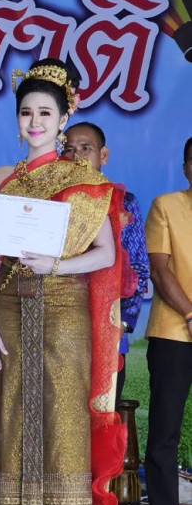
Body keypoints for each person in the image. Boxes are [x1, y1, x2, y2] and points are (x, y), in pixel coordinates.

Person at [0, 59, 123, 505]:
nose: (34, 121)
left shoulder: (83, 179)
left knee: (59, 409)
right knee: (11, 408)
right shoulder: (0, 178)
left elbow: (105, 254)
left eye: (44, 113)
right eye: (26, 112)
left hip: (63, 306)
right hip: (10, 302)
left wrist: (56, 264)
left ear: (63, 119)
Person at [63, 122, 150, 404]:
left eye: (85, 148)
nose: (76, 156)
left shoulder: (124, 202)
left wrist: (122, 323)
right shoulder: (53, 201)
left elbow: (138, 268)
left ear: (103, 155)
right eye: (68, 149)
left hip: (108, 329)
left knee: (102, 413)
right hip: (60, 327)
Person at [142, 136, 192, 505]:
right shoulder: (166, 205)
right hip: (174, 333)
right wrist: (190, 314)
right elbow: (159, 270)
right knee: (164, 432)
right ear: (185, 167)